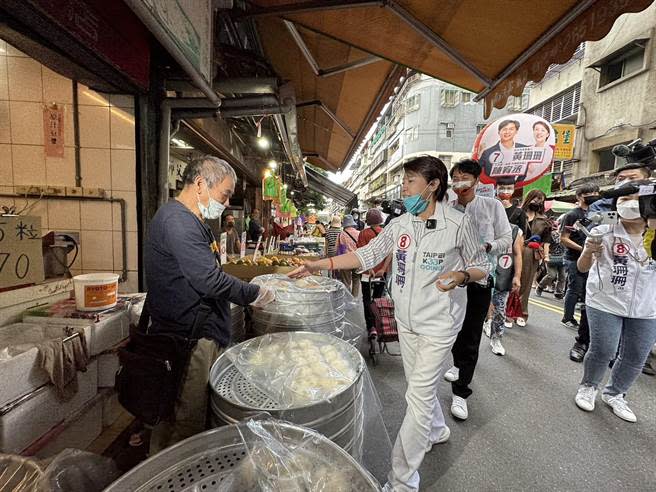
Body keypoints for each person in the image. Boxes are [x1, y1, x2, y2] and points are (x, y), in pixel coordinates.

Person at [289, 155, 489, 492]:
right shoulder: (400, 225)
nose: (404, 187)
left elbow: (483, 266)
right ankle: (437, 430)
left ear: (433, 184)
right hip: (406, 322)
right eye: (404, 181)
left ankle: (401, 482)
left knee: (419, 398)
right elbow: (365, 255)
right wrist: (317, 264)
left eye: (410, 181)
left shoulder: (459, 223)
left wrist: (462, 275)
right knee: (419, 391)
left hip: (440, 323)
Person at [143, 156, 273, 454]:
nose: (226, 204)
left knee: (191, 413)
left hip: (197, 331)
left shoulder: (189, 219)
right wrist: (255, 293)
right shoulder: (178, 222)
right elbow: (208, 280)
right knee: (184, 419)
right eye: (225, 195)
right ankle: (173, 476)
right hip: (187, 338)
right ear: (200, 184)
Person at [574, 191, 656, 423]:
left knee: (636, 354)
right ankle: (589, 386)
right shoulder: (603, 230)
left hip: (647, 306)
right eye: (622, 200)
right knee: (604, 349)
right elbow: (582, 267)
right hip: (605, 301)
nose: (628, 204)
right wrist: (590, 250)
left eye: (634, 199)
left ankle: (616, 394)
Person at [443, 159, 511, 421]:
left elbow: (507, 239)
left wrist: (487, 246)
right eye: (455, 178)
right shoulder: (447, 209)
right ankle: (458, 363)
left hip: (480, 279)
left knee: (471, 333)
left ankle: (461, 392)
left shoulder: (492, 206)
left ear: (476, 180)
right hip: (451, 280)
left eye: (463, 177)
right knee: (452, 328)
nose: (459, 182)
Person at [559, 184, 600, 362]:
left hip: (595, 261)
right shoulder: (572, 215)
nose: (592, 196)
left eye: (595, 193)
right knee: (575, 289)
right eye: (588, 194)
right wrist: (583, 248)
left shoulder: (600, 214)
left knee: (588, 294)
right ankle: (568, 317)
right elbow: (564, 238)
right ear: (580, 196)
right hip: (573, 258)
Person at [485, 223, 523, 355]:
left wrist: (517, 276)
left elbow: (518, 254)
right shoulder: (481, 225)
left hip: (503, 276)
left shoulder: (513, 230)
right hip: (481, 275)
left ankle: (496, 338)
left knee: (500, 310)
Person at [515, 190, 551, 326]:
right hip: (514, 249)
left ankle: (522, 313)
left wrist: (546, 256)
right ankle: (507, 311)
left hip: (531, 253)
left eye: (540, 199)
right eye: (535, 198)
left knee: (526, 283)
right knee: (510, 282)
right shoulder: (517, 214)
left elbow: (546, 240)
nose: (537, 202)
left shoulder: (544, 220)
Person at [357, 208, 388, 339]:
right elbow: (389, 253)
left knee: (366, 298)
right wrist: (383, 269)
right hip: (381, 272)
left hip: (366, 273)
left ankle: (371, 327)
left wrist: (368, 267)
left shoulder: (363, 233)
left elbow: (361, 252)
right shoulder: (385, 233)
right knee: (377, 299)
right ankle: (377, 323)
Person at [479, 119, 529, 185]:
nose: (507, 132)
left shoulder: (524, 149)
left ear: (516, 131)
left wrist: (515, 186)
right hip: (492, 188)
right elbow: (477, 170)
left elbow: (524, 172)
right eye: (504, 129)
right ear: (499, 132)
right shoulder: (487, 152)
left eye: (511, 129)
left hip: (515, 189)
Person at [536, 220, 566, 299]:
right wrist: (546, 256)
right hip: (552, 257)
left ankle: (558, 292)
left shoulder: (567, 235)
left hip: (562, 258)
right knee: (551, 275)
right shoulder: (552, 234)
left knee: (562, 276)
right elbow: (546, 245)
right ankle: (540, 287)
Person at [337, 214, 361, 297]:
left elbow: (340, 249)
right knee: (356, 279)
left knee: (346, 281)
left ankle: (348, 298)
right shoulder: (359, 233)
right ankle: (354, 298)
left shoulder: (341, 234)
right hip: (357, 259)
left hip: (346, 260)